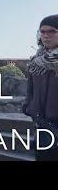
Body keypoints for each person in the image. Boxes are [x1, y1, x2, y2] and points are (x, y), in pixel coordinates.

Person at [23, 15, 58, 161]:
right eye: (42, 31)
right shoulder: (36, 61)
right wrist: (29, 106)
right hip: (43, 124)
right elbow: (30, 89)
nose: (46, 35)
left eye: (52, 31)